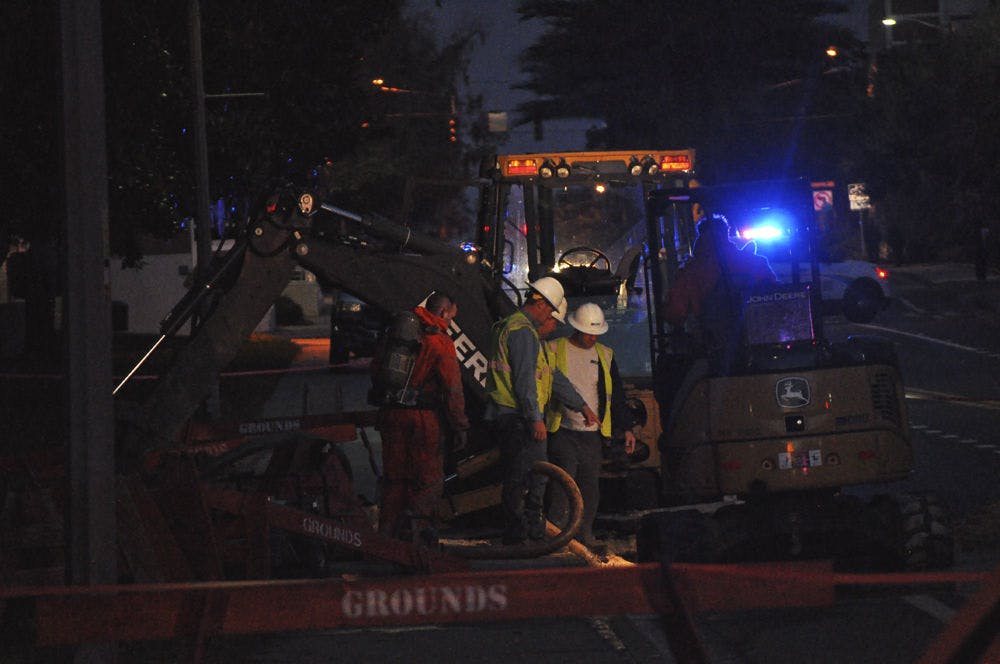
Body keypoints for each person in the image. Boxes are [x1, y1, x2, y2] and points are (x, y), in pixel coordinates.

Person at [485, 277, 597, 544]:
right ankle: (521, 535)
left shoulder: (524, 333)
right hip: (518, 416)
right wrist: (536, 419)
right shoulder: (522, 332)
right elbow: (525, 381)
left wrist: (581, 405)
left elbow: (553, 377)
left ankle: (528, 532)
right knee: (527, 477)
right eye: (550, 311)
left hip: (512, 414)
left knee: (528, 476)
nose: (551, 317)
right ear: (540, 304)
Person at [374, 291, 469, 544]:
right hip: (423, 421)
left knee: (394, 479)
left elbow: (377, 370)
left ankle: (385, 538)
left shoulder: (397, 334)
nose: (450, 324)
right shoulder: (440, 342)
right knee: (425, 480)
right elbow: (453, 389)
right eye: (451, 318)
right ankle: (416, 539)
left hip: (392, 416)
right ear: (443, 312)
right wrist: (460, 426)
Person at [545, 303, 636, 550]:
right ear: (576, 328)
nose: (593, 338)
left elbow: (615, 395)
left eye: (596, 333)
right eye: (588, 333)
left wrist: (626, 427)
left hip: (592, 436)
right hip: (562, 429)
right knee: (563, 484)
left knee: (589, 486)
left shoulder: (605, 354)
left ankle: (582, 536)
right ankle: (556, 537)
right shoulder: (554, 349)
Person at [664, 213, 777, 371]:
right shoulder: (755, 263)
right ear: (727, 234)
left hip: (713, 354)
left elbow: (674, 314)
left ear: (701, 236)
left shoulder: (691, 272)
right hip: (761, 348)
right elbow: (777, 299)